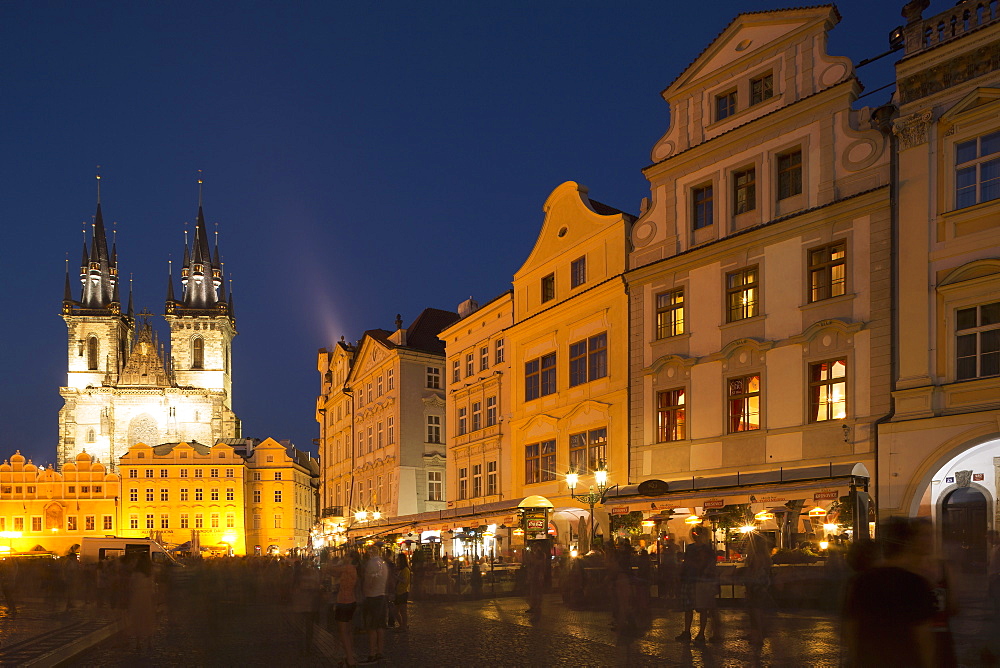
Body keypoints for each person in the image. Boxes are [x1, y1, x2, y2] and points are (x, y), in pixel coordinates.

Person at [842, 517, 938, 668]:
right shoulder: (915, 583)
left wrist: (856, 660)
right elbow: (923, 638)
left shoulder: (861, 581)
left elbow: (851, 628)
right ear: (908, 543)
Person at [675, 525, 721, 644]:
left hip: (700, 581)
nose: (695, 537)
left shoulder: (706, 549)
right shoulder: (694, 548)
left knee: (702, 608)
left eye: (697, 534)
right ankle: (688, 631)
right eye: (694, 534)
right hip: (691, 579)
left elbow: (707, 564)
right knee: (689, 608)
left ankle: (700, 633)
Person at [741, 532, 772, 647]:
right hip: (762, 586)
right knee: (757, 611)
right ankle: (757, 634)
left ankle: (758, 636)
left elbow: (754, 571)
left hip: (755, 586)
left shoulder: (756, 555)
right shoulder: (765, 555)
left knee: (755, 611)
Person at [330, 552, 359, 667]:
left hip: (344, 602)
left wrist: (327, 564)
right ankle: (349, 655)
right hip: (351, 601)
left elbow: (332, 569)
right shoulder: (353, 569)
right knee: (348, 631)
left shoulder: (348, 567)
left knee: (343, 632)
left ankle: (350, 659)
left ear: (351, 558)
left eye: (347, 556)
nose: (344, 558)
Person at [361, 545, 388, 663]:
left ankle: (372, 653)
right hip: (382, 595)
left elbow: (370, 580)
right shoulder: (383, 563)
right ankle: (380, 651)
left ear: (370, 553)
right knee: (380, 626)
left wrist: (366, 589)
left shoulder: (371, 563)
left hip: (372, 596)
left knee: (372, 626)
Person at [128, 554, 157, 651]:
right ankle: (149, 643)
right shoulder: (150, 573)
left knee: (138, 619)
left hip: (137, 596)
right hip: (147, 597)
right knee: (148, 619)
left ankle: (138, 643)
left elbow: (131, 586)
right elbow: (153, 587)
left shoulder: (135, 573)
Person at [393, 553, 411, 631]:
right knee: (395, 611)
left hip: (403, 592)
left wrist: (397, 577)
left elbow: (405, 581)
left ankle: (404, 626)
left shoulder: (405, 570)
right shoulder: (400, 569)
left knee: (403, 611)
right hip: (398, 591)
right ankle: (402, 625)